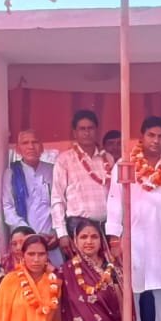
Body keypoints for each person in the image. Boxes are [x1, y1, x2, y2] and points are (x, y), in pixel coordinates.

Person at [108, 116, 161, 321]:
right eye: (151, 135)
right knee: (133, 289)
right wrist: (114, 238)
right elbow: (114, 201)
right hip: (133, 237)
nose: (156, 140)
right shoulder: (125, 164)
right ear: (142, 136)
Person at [52, 110, 113, 260]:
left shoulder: (108, 159)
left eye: (90, 128)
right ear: (75, 132)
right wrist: (62, 233)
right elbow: (57, 198)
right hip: (77, 227)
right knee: (78, 271)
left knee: (105, 270)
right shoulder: (64, 160)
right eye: (82, 129)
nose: (87, 132)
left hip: (105, 227)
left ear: (97, 130)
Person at [2, 130, 60, 264]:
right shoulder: (11, 173)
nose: (31, 146)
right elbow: (8, 207)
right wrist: (27, 233)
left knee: (55, 273)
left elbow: (61, 204)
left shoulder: (54, 170)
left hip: (51, 238)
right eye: (25, 143)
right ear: (18, 149)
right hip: (23, 240)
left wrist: (57, 233)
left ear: (42, 147)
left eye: (35, 142)